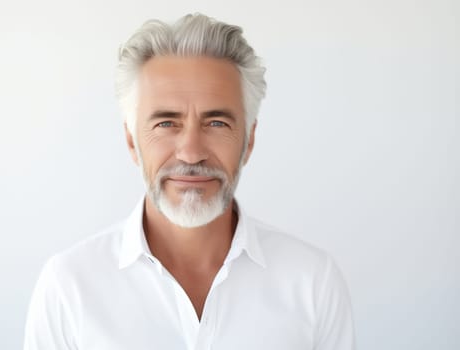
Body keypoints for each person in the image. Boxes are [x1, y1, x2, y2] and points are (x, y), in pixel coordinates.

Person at [23, 13, 355, 350]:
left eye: (217, 123)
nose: (192, 153)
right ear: (131, 141)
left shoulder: (314, 281)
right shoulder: (69, 286)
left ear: (249, 141)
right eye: (166, 123)